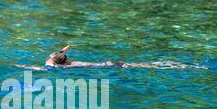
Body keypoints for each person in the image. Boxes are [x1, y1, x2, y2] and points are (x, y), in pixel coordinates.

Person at [17, 46, 206, 70]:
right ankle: (184, 65)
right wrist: (59, 50)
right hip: (111, 63)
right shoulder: (66, 62)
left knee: (151, 67)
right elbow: (53, 58)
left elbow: (45, 66)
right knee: (152, 65)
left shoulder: (62, 67)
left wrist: (21, 65)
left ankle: (185, 67)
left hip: (112, 66)